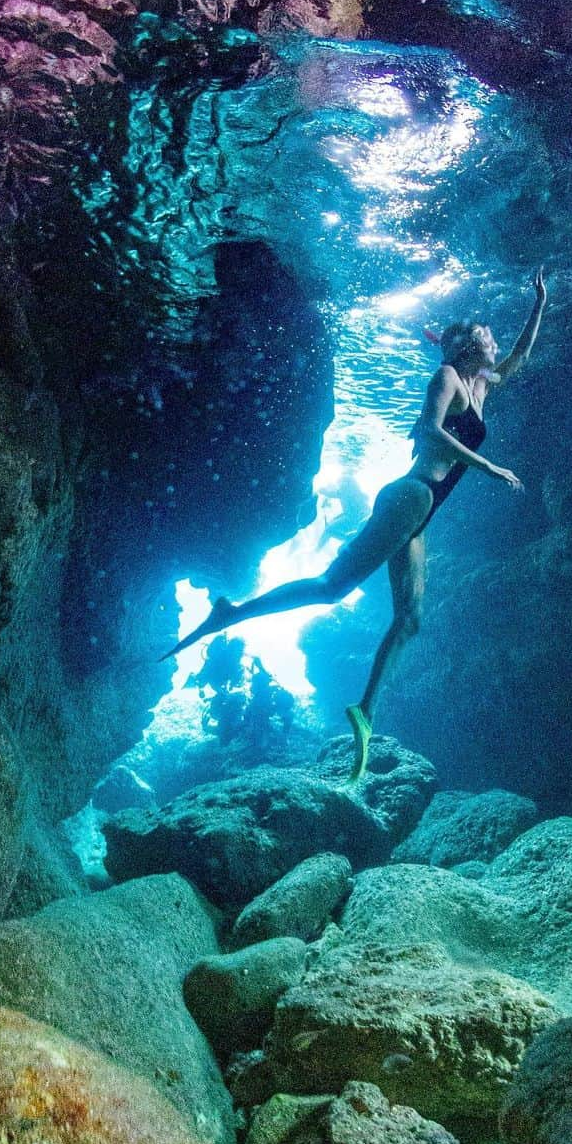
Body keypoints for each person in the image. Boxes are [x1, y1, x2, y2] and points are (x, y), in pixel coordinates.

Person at [162, 269, 548, 779]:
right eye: (488, 337)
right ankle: (230, 612)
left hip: (421, 511)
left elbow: (518, 359)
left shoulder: (479, 385)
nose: (495, 342)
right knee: (330, 589)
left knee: (410, 619)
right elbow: (430, 429)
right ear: (469, 345)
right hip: (410, 496)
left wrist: (539, 303)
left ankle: (366, 711)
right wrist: (490, 467)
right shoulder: (449, 379)